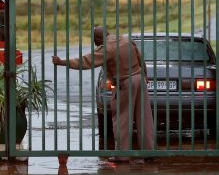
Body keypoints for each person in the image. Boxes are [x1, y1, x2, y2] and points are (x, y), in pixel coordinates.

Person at [52, 26, 155, 162]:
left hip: (126, 83)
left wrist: (62, 62)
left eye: (95, 40)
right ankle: (149, 152)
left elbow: (85, 61)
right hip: (140, 79)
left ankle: (122, 155)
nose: (95, 44)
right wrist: (144, 75)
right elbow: (140, 58)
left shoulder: (106, 49)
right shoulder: (125, 39)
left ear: (99, 38)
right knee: (144, 117)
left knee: (122, 119)